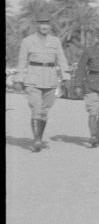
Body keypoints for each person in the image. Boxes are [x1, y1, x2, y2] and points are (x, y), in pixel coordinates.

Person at [14, 10, 71, 152]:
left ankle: (39, 136)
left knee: (44, 111)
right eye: (42, 23)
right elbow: (21, 61)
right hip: (33, 79)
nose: (45, 26)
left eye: (47, 24)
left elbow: (62, 60)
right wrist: (19, 79)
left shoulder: (55, 41)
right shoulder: (27, 41)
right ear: (37, 25)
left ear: (50, 25)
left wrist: (66, 77)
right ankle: (37, 139)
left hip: (50, 79)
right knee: (36, 109)